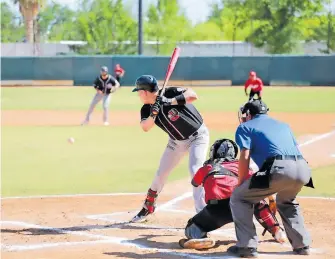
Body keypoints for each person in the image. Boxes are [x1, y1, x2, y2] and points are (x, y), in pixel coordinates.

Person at [227, 99, 314, 258]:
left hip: (279, 168)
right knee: (287, 201)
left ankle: (247, 247)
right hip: (303, 168)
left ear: (248, 114)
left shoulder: (245, 127)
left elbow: (244, 155)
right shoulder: (283, 125)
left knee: (239, 198)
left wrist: (240, 183)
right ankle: (302, 245)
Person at [178, 138, 286, 250]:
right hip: (240, 207)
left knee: (192, 226)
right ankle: (277, 231)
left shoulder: (206, 168)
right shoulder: (240, 165)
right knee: (257, 200)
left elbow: (195, 183)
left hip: (215, 211)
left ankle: (199, 237)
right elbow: (258, 183)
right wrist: (271, 200)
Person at [130, 75, 209, 223]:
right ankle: (148, 206)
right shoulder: (147, 108)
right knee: (161, 173)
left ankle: (203, 214)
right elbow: (145, 127)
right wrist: (154, 113)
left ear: (145, 92)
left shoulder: (169, 93)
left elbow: (193, 95)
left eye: (139, 91)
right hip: (176, 142)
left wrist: (169, 102)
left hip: (197, 137)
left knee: (195, 170)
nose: (139, 95)